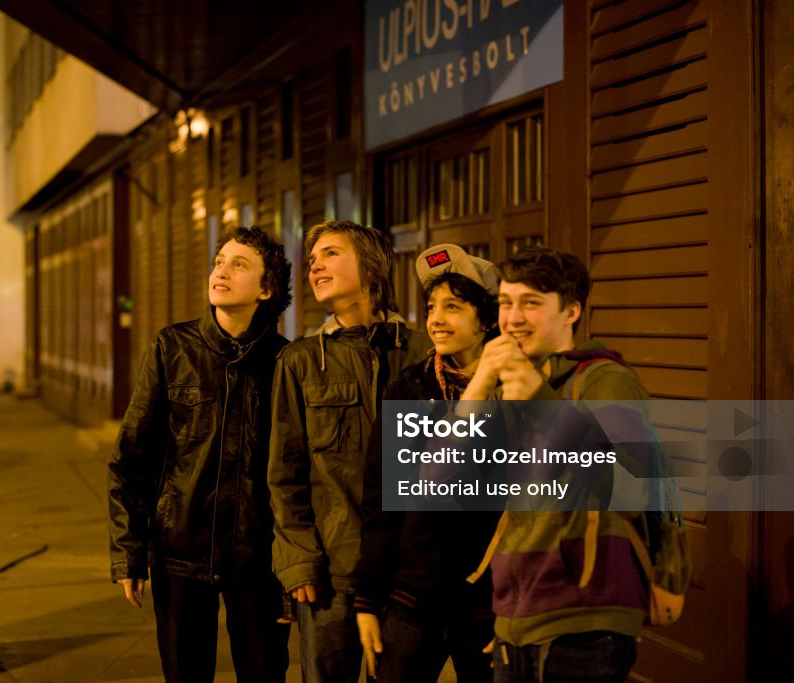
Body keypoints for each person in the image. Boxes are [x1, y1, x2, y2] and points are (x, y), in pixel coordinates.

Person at [108, 226, 293, 683]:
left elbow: (297, 468)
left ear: (266, 288)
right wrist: (128, 553)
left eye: (239, 264)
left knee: (265, 672)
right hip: (179, 552)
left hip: (259, 560)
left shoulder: (287, 361)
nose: (221, 272)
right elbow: (132, 456)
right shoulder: (172, 348)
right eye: (219, 262)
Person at [462, 246, 653, 683]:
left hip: (585, 624)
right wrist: (477, 385)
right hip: (515, 619)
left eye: (531, 303)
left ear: (571, 311)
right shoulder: (515, 383)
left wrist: (540, 402)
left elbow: (627, 489)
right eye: (506, 303)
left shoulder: (606, 380)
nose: (512, 318)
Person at [268, 220, 432, 683]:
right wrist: (298, 561)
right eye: (313, 257)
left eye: (331, 253)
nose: (315, 264)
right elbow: (284, 475)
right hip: (331, 573)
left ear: (372, 266)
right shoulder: (300, 360)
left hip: (406, 574)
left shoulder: (420, 353)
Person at [353, 244, 502, 683]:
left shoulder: (519, 391)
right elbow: (382, 501)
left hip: (490, 602)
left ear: (487, 319)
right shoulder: (411, 389)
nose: (436, 319)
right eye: (432, 306)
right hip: (412, 597)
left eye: (453, 307)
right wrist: (366, 598)